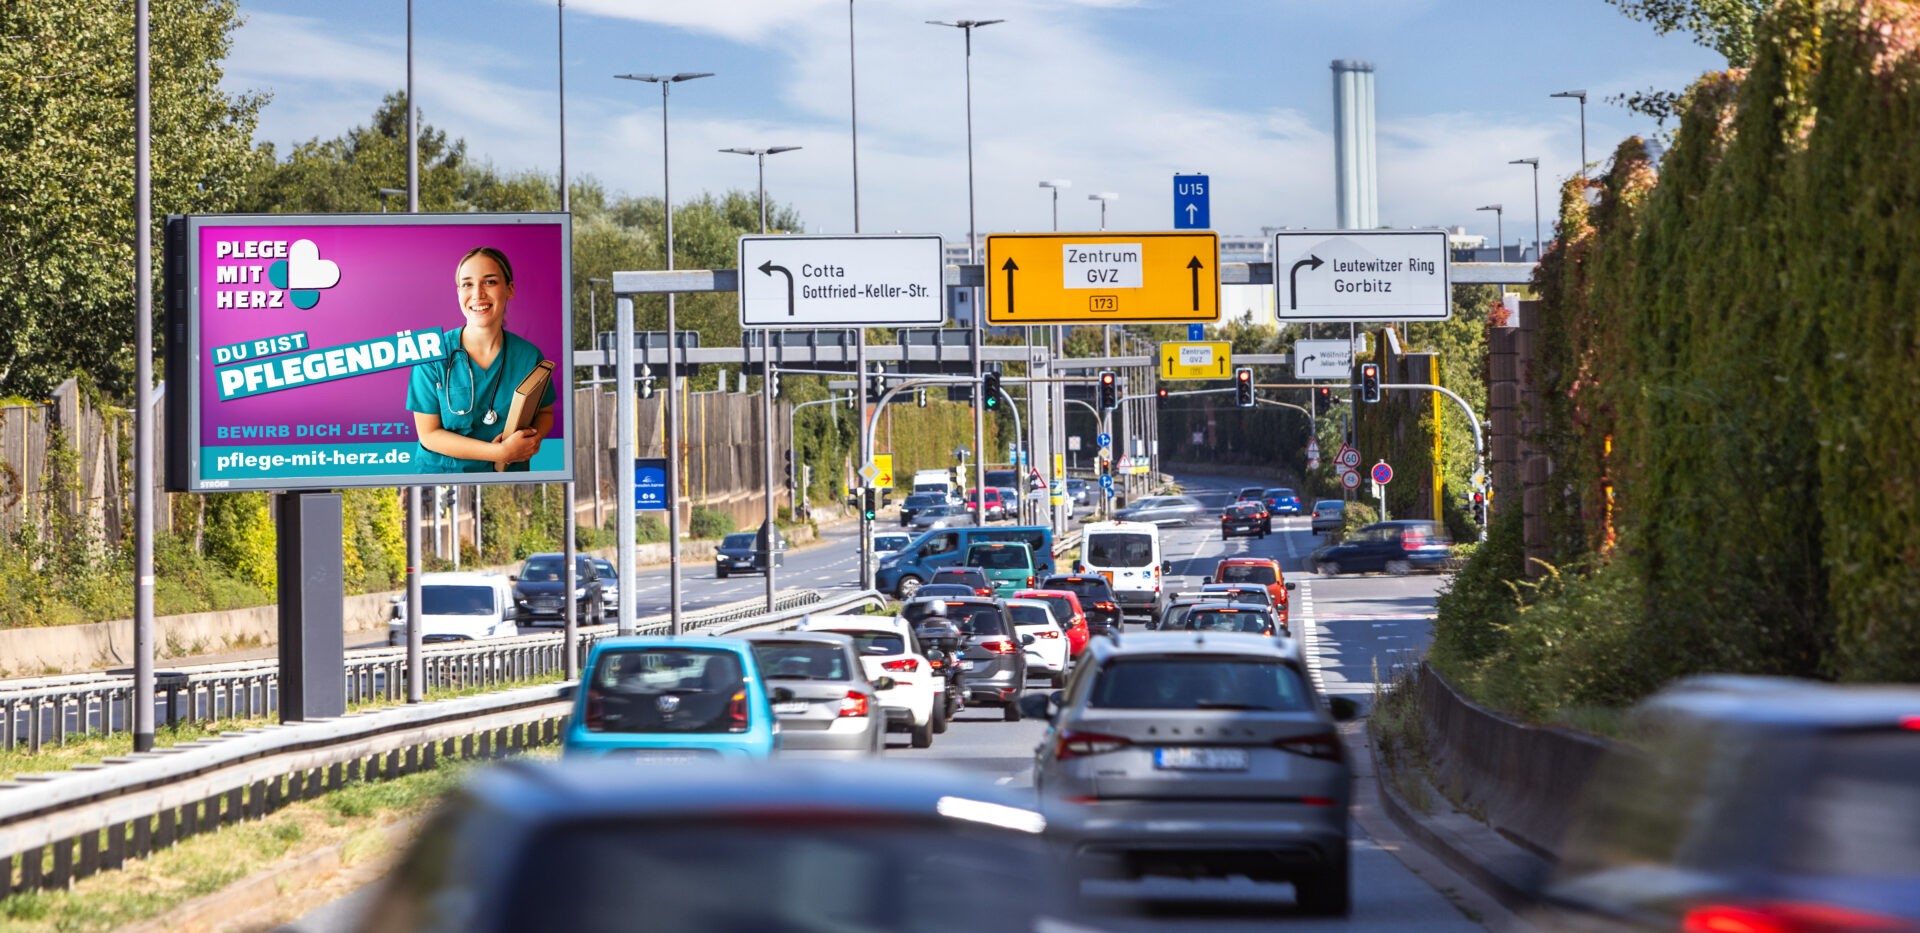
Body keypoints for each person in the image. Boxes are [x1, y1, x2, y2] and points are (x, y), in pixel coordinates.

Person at [407, 246, 555, 473]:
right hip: (443, 482)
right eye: (467, 284)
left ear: (510, 289)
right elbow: (429, 435)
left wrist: (534, 439)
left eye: (490, 282)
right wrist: (501, 452)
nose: (478, 294)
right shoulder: (432, 355)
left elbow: (545, 414)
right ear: (458, 292)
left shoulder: (529, 356)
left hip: (508, 483)